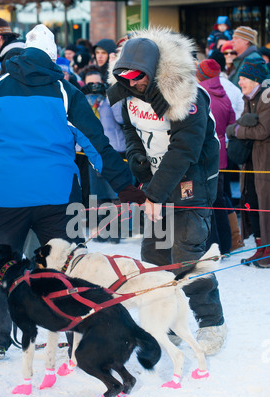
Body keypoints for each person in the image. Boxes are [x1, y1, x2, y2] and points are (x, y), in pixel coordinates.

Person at [0, 24, 145, 359]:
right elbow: (96, 144)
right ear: (53, 58)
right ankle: (76, 329)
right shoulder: (65, 91)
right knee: (68, 265)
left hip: (6, 195)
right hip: (57, 194)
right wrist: (124, 185)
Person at [107, 27, 227, 355]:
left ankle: (212, 323)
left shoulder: (188, 98)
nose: (131, 83)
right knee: (156, 257)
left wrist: (154, 195)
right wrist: (137, 161)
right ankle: (168, 320)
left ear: (155, 70)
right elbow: (129, 131)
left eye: (138, 76)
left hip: (192, 184)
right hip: (156, 188)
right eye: (124, 76)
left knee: (186, 257)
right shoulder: (129, 95)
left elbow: (185, 150)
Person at [226, 57, 270, 268]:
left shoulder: (266, 97)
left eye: (243, 78)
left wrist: (237, 130)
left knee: (266, 205)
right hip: (251, 162)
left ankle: (268, 250)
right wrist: (240, 127)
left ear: (255, 80)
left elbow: (262, 131)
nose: (239, 82)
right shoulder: (248, 98)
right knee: (252, 202)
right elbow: (240, 123)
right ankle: (260, 247)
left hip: (265, 163)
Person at [196, 59, 239, 254]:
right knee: (219, 199)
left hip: (205, 153)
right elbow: (231, 122)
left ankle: (212, 246)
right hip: (221, 152)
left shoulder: (199, 94)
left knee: (207, 201)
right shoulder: (224, 93)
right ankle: (226, 244)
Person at [81, 64, 127, 243]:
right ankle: (101, 230)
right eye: (89, 83)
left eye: (96, 82)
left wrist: (110, 97)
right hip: (92, 152)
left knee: (114, 193)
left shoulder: (111, 99)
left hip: (113, 150)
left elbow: (121, 119)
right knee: (97, 194)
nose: (94, 87)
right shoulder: (82, 100)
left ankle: (115, 231)